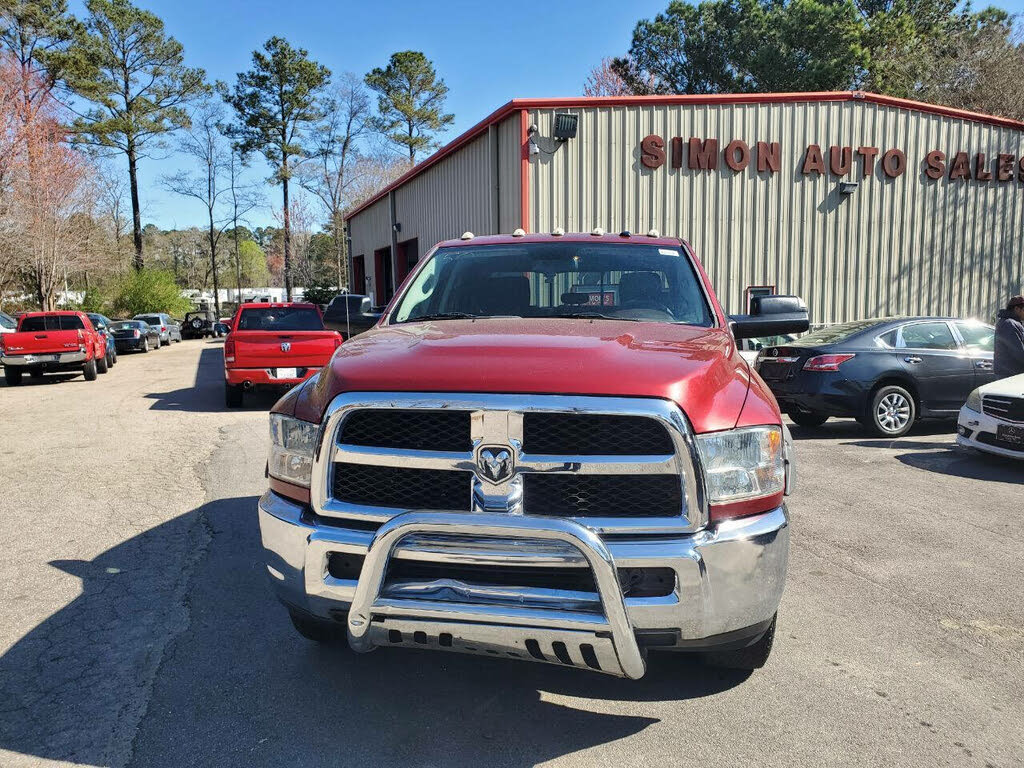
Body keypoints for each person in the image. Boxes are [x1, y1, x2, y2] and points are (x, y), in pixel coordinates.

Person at [994, 295, 1024, 378]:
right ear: (1017, 309)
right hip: (1009, 376)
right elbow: (1018, 352)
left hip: (1012, 374)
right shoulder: (1008, 324)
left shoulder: (1012, 323)